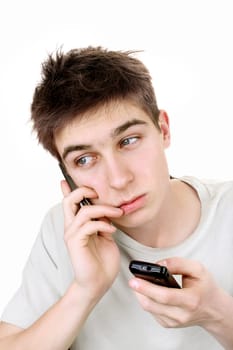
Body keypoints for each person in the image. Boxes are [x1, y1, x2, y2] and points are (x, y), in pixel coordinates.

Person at [0, 46, 233, 350]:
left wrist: (219, 315)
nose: (119, 179)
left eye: (129, 141)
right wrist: (85, 290)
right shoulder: (68, 231)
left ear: (163, 129)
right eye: (85, 160)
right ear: (68, 176)